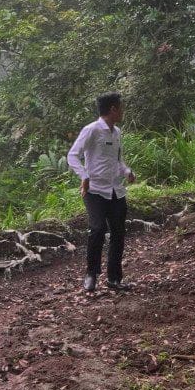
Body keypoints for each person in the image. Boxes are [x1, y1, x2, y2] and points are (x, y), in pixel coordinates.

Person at [67, 92, 136, 293]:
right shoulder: (92, 130)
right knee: (97, 229)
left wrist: (127, 171)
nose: (122, 111)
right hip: (95, 190)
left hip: (116, 190)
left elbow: (117, 160)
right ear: (113, 109)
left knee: (118, 233)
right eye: (120, 107)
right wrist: (84, 176)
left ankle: (114, 278)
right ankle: (91, 274)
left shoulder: (117, 133)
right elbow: (72, 156)